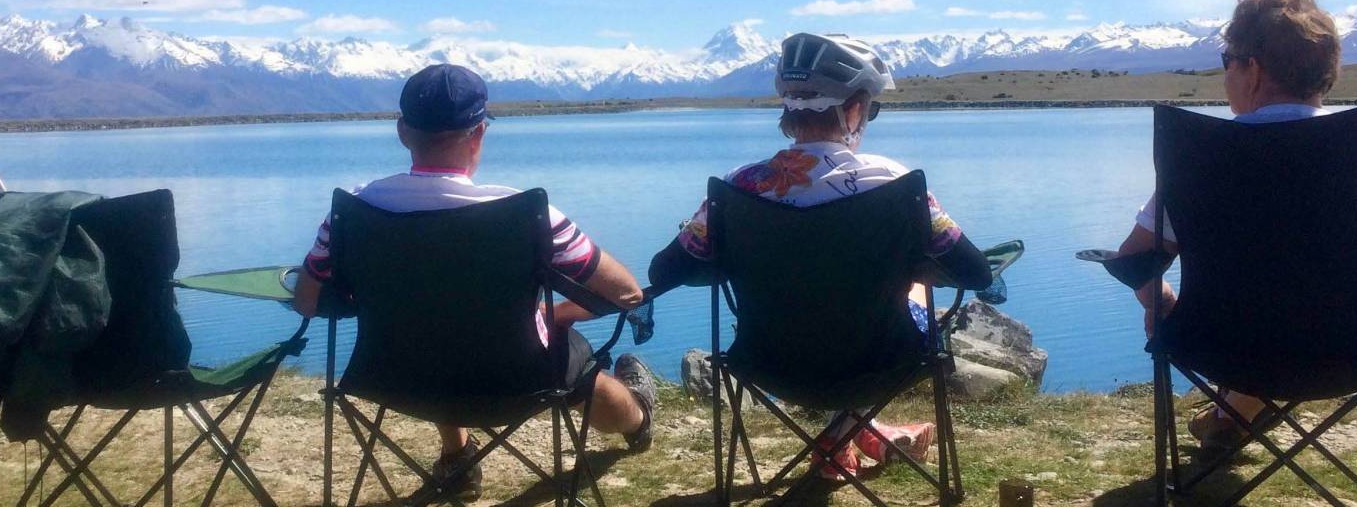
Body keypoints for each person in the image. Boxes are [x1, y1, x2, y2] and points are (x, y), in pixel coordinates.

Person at [1118, 0, 1357, 451]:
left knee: (1261, 302)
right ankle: (1234, 413)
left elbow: (1133, 259)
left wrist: (1162, 302)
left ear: (1253, 69)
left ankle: (1232, 411)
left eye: (1227, 60)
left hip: (1222, 351)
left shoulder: (1200, 156)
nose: (1224, 74)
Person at [292, 63, 657, 500]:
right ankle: (638, 420)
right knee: (570, 359)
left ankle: (459, 458)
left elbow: (307, 301)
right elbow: (626, 292)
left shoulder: (350, 212)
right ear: (479, 133)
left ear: (403, 131)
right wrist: (555, 314)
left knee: (435, 322)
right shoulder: (526, 215)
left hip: (398, 378)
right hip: (519, 382)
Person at [648, 32, 993, 480]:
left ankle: (841, 437)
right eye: (870, 107)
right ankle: (849, 431)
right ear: (852, 109)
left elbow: (665, 270)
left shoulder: (737, 187)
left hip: (770, 363)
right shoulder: (898, 185)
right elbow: (976, 272)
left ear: (788, 111)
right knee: (900, 291)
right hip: (884, 362)